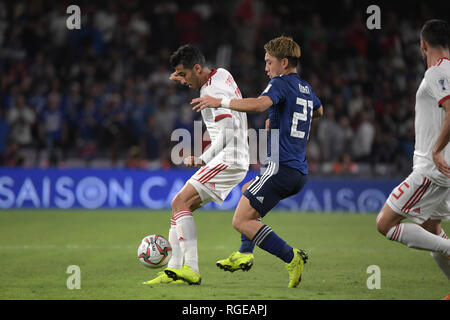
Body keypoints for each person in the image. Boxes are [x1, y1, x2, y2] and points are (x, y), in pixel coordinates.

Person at [192, 36, 324, 287]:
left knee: (241, 221)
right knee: (246, 192)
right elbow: (318, 111)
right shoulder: (306, 88)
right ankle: (244, 253)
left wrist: (219, 101)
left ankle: (291, 257)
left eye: (269, 62)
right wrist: (282, 122)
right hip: (297, 170)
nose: (266, 68)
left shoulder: (280, 83)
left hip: (280, 167)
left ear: (283, 62)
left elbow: (258, 105)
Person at [143, 44, 249, 285]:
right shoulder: (221, 74)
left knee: (179, 201)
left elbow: (229, 129)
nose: (182, 81)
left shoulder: (212, 91)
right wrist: (181, 74)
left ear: (198, 68)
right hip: (232, 156)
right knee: (181, 207)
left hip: (228, 156)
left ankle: (191, 268)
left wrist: (203, 157)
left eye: (184, 74)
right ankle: (173, 270)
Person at [374, 19, 450, 300]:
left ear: (423, 45)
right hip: (442, 171)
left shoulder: (436, 72)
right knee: (432, 232)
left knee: (385, 224)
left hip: (430, 171)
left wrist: (436, 149)